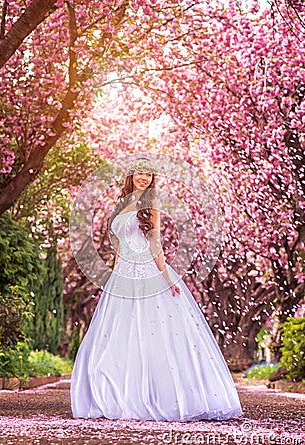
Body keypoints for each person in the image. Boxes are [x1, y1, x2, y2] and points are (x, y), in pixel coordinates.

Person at [70, 157, 243, 421]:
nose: (144, 178)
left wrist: (167, 278)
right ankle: (116, 394)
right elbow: (116, 246)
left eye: (149, 174)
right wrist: (112, 274)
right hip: (122, 275)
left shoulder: (151, 206)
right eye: (140, 172)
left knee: (151, 334)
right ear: (131, 175)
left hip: (147, 271)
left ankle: (153, 395)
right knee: (117, 336)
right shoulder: (120, 205)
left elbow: (155, 245)